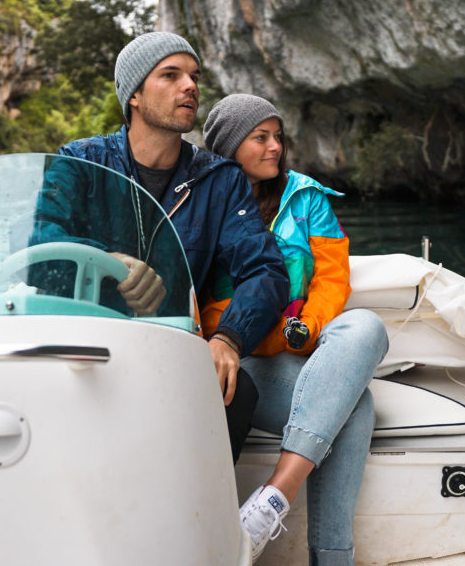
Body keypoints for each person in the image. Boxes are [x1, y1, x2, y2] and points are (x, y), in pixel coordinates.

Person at [55, 32, 290, 463]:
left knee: (237, 394)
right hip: (84, 345)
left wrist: (229, 339)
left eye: (194, 76)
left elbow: (265, 270)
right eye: (171, 75)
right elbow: (44, 242)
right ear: (135, 96)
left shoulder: (220, 180)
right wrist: (105, 262)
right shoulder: (81, 162)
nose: (191, 86)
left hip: (169, 349)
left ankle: (199, 521)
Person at [201, 94, 389, 564]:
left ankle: (270, 501)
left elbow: (332, 277)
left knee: (365, 326)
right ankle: (330, 557)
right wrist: (277, 336)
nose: (275, 148)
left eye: (277, 137)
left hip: (307, 348)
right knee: (355, 405)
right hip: (243, 362)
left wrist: (307, 326)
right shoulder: (206, 204)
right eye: (260, 138)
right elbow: (207, 309)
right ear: (229, 146)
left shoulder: (307, 197)